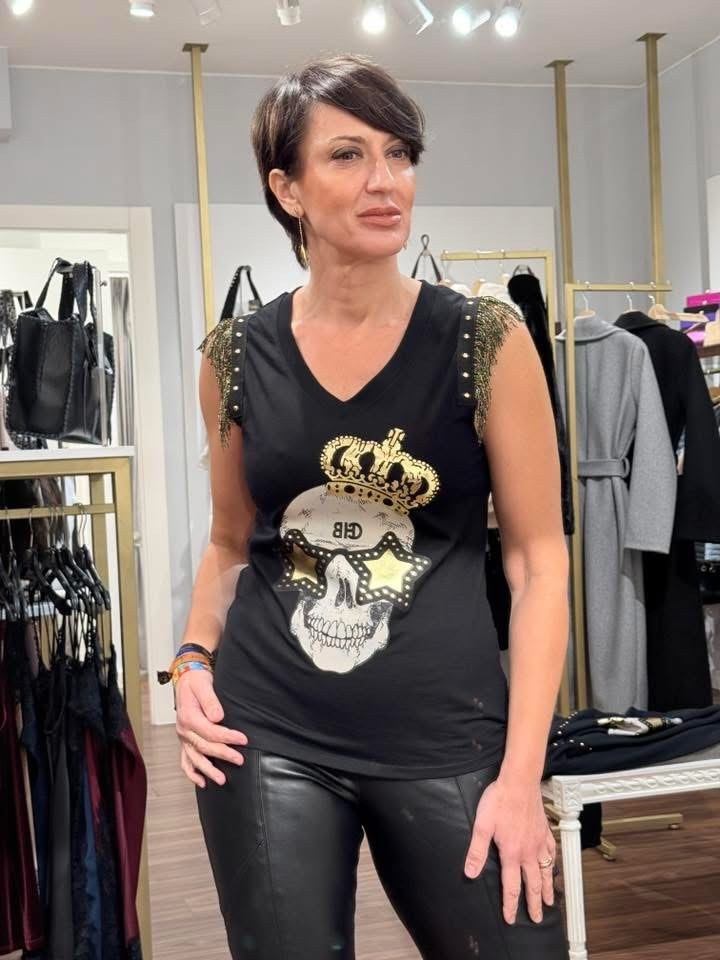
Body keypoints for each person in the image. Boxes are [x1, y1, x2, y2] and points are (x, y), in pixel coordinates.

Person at [167, 53, 570, 960]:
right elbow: (230, 543)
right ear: (288, 189)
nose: (386, 181)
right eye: (348, 155)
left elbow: (538, 562)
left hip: (450, 735)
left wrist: (521, 777)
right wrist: (190, 660)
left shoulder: (484, 340)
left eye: (399, 154)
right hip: (267, 736)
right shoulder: (235, 356)